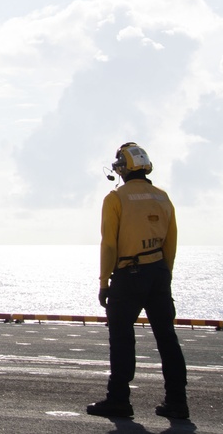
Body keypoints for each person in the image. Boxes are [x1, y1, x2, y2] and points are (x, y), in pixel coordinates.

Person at [87, 142, 189, 420]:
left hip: (128, 274)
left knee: (121, 337)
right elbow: (171, 243)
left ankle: (119, 399)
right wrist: (164, 276)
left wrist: (104, 282)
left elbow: (109, 244)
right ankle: (177, 401)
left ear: (123, 168)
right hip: (158, 272)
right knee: (167, 338)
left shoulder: (115, 198)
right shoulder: (162, 197)